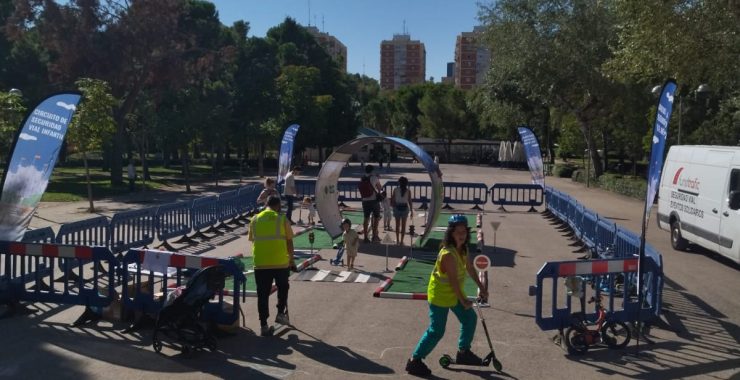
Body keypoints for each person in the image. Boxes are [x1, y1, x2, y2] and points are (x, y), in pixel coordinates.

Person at [406, 215, 488, 377]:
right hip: (440, 296)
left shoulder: (463, 249)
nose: (462, 235)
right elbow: (452, 282)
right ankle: (414, 361)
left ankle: (463, 352)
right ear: (451, 233)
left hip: (454, 294)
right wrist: (464, 300)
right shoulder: (448, 254)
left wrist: (481, 287)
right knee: (437, 330)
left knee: (469, 319)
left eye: (464, 231)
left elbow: (470, 268)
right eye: (458, 232)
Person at [248, 196, 295, 337]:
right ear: (278, 206)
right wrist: (291, 260)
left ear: (266, 204)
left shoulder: (254, 219)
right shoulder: (282, 219)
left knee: (262, 294)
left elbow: (252, 240)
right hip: (280, 263)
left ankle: (263, 325)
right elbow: (289, 242)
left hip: (261, 264)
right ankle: (280, 313)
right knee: (283, 287)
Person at [358, 165, 382, 243]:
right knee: (376, 218)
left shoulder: (362, 178)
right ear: (372, 171)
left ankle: (365, 237)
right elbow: (379, 188)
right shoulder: (374, 178)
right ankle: (374, 236)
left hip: (365, 201)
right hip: (374, 200)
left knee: (366, 218)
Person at [391, 176, 413, 245]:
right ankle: (401, 241)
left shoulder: (395, 189)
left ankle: (397, 240)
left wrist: (393, 206)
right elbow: (409, 201)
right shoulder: (408, 191)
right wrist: (411, 210)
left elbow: (392, 199)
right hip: (405, 208)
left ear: (399, 182)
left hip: (397, 207)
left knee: (397, 225)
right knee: (403, 226)